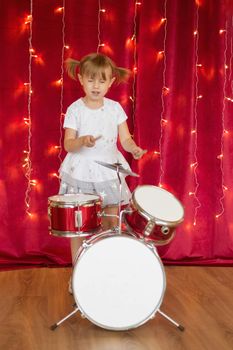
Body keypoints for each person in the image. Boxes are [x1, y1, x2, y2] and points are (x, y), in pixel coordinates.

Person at [59, 52, 145, 293]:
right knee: (79, 227)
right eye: (91, 80)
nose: (96, 86)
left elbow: (125, 139)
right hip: (81, 172)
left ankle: (103, 272)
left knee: (110, 223)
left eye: (101, 81)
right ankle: (77, 274)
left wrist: (134, 148)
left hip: (108, 173)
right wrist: (82, 141)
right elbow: (68, 144)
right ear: (81, 80)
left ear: (110, 83)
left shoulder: (115, 109)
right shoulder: (76, 109)